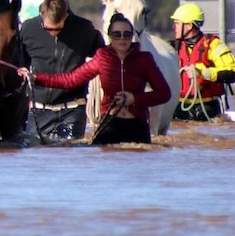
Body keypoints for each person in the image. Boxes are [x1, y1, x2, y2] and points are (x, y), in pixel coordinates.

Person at [19, 13, 172, 144]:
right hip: (109, 124)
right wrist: (36, 78)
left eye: (127, 34)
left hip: (137, 125)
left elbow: (164, 93)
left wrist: (134, 99)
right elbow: (70, 80)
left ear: (132, 36)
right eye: (117, 34)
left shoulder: (144, 59)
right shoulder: (102, 57)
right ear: (110, 36)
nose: (122, 39)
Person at [19, 0, 105, 143]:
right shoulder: (28, 29)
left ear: (66, 16)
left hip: (72, 110)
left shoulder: (84, 29)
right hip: (39, 110)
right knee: (34, 158)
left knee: (68, 157)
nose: (52, 34)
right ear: (41, 15)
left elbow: (103, 56)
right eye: (48, 29)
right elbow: (20, 63)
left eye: (57, 30)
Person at [170, 3, 235, 121]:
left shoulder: (213, 45)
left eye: (177, 23)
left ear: (189, 25)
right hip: (177, 107)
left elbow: (232, 73)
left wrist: (202, 72)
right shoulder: (171, 47)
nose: (173, 27)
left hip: (207, 107)